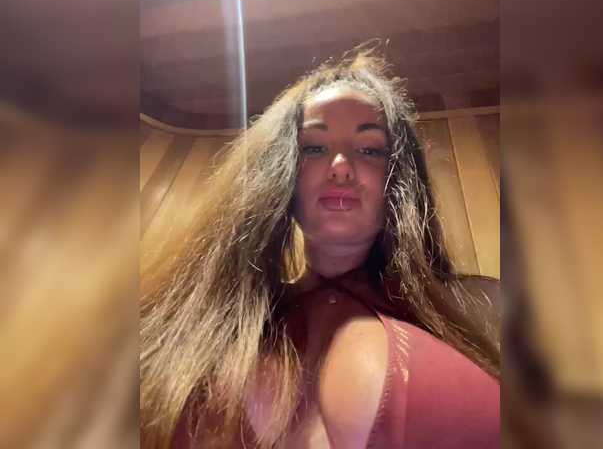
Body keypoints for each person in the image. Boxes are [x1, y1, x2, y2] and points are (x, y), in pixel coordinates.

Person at [140, 48, 500, 449]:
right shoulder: (205, 323)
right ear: (280, 174)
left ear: (400, 179)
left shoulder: (478, 310)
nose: (341, 166)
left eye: (370, 149)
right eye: (313, 147)